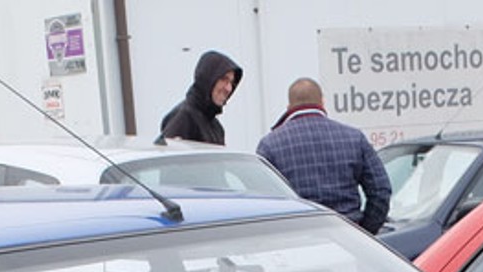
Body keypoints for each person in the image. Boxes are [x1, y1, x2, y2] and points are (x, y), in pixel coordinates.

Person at [256, 78, 392, 234]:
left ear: (288, 107)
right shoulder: (354, 137)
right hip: (348, 235)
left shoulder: (270, 145)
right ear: (322, 102)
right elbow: (381, 191)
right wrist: (365, 231)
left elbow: (263, 203)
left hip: (297, 238)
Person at [159, 51, 242, 145]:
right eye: (223, 79)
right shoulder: (184, 117)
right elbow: (166, 152)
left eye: (231, 83)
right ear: (207, 78)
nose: (228, 88)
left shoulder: (217, 128)